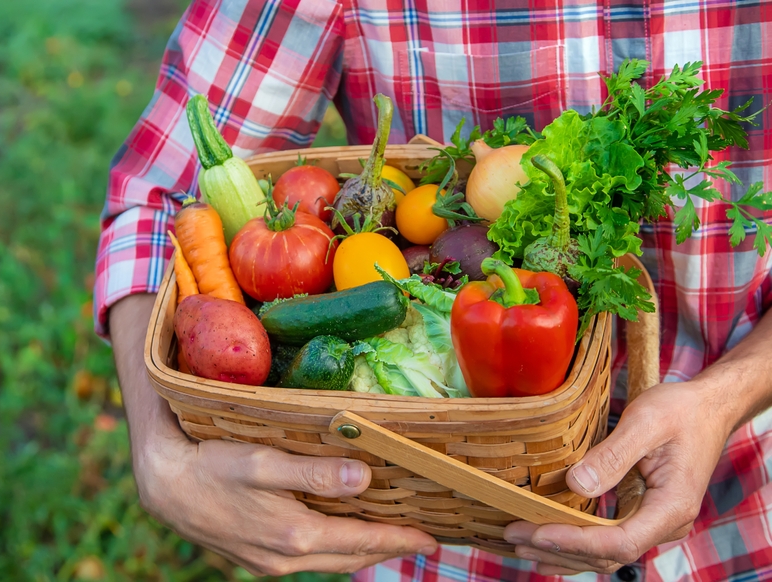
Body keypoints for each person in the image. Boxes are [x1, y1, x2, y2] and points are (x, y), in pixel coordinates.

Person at [97, 1, 772, 580]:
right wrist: (158, 451)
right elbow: (162, 195)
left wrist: (724, 398)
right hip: (432, 527)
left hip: (745, 514)